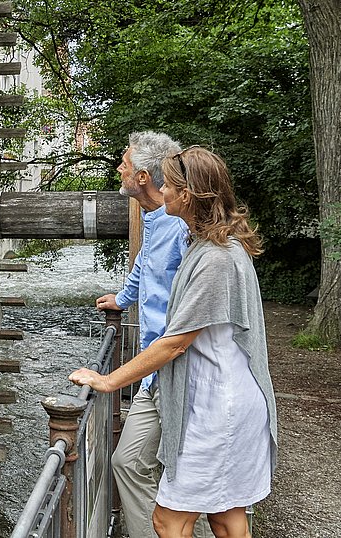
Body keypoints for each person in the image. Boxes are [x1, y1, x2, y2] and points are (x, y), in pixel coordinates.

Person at [71, 146, 277, 538]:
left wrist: (108, 381)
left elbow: (174, 343)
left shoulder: (215, 258)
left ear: (188, 194)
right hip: (221, 400)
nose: (161, 191)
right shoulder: (213, 246)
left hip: (219, 410)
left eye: (169, 185)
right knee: (226, 517)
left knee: (169, 520)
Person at [95, 132, 211, 538]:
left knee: (181, 473)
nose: (119, 169)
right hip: (153, 369)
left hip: (177, 367)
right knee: (129, 463)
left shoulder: (180, 226)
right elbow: (147, 265)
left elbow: (194, 300)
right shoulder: (154, 218)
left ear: (142, 177)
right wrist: (123, 299)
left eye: (125, 164)